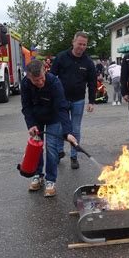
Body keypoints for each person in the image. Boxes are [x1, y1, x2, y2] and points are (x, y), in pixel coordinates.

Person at [21, 60, 77, 197]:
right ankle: (38, 175)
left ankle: (50, 180)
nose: (40, 82)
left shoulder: (54, 83)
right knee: (36, 146)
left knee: (51, 147)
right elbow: (26, 106)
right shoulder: (25, 83)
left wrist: (67, 132)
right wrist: (31, 124)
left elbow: (62, 108)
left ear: (44, 71)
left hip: (54, 118)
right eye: (35, 80)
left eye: (41, 78)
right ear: (29, 77)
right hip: (36, 118)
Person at [50, 31, 96, 169]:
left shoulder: (88, 62)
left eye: (84, 45)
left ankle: (74, 156)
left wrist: (92, 101)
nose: (81, 47)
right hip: (61, 100)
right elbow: (51, 77)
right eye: (79, 43)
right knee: (59, 128)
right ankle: (59, 152)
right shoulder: (61, 57)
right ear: (73, 42)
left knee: (75, 129)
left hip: (78, 100)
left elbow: (92, 83)